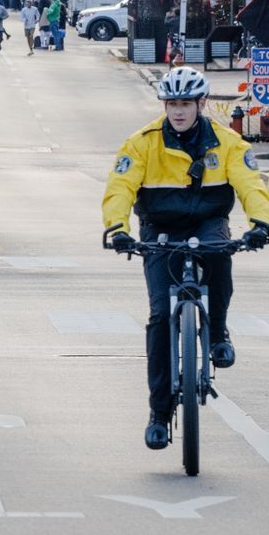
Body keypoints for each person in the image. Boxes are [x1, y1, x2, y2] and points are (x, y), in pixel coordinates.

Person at [103, 66, 269, 451]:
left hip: (208, 221)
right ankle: (159, 415)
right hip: (159, 229)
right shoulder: (141, 142)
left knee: (222, 256)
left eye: (186, 104)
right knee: (161, 316)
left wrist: (261, 223)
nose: (178, 112)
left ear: (201, 104)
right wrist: (118, 229)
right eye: (171, 104)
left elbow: (250, 185)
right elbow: (120, 187)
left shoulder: (228, 142)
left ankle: (219, 335)